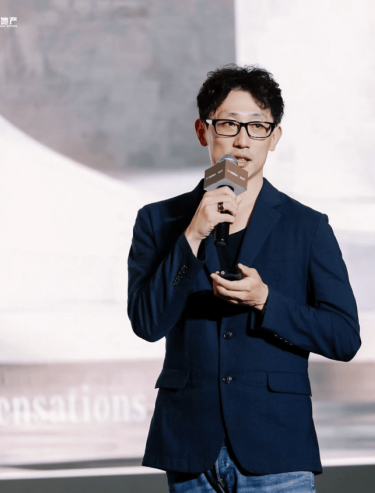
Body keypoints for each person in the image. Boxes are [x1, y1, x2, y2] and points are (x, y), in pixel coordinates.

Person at [127, 64, 361, 492]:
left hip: (276, 446)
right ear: (203, 131)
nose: (241, 140)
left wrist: (266, 301)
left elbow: (344, 337)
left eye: (257, 126)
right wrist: (192, 235)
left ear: (275, 137)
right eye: (229, 124)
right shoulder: (159, 221)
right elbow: (147, 323)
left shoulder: (307, 226)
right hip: (190, 447)